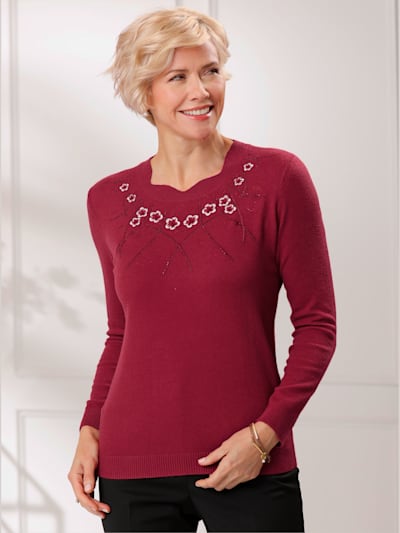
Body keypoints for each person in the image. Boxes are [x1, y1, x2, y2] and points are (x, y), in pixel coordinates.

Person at [68, 6, 336, 532]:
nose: (201, 91)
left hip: (249, 462)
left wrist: (265, 436)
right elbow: (121, 334)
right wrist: (90, 428)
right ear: (144, 92)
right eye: (178, 77)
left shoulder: (278, 178)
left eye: (210, 71)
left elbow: (317, 327)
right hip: (131, 466)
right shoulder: (107, 199)